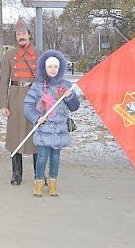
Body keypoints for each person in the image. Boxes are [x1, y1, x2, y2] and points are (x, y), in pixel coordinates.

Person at [24, 50, 80, 197]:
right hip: (44, 128)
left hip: (60, 129)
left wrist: (70, 96)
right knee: (42, 157)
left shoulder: (67, 85)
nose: (53, 69)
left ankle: (53, 183)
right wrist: (37, 118)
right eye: (50, 67)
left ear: (60, 67)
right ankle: (39, 182)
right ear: (45, 68)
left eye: (56, 66)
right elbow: (28, 105)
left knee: (55, 157)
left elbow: (74, 107)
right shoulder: (37, 86)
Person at [0, 18, 39, 186]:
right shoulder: (9, 56)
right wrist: (3, 104)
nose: (21, 36)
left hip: (35, 98)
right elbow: (3, 82)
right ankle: (17, 174)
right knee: (15, 136)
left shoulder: (40, 54)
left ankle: (39, 173)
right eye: (18, 34)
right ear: (15, 37)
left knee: (37, 136)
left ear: (29, 35)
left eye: (24, 33)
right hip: (15, 98)